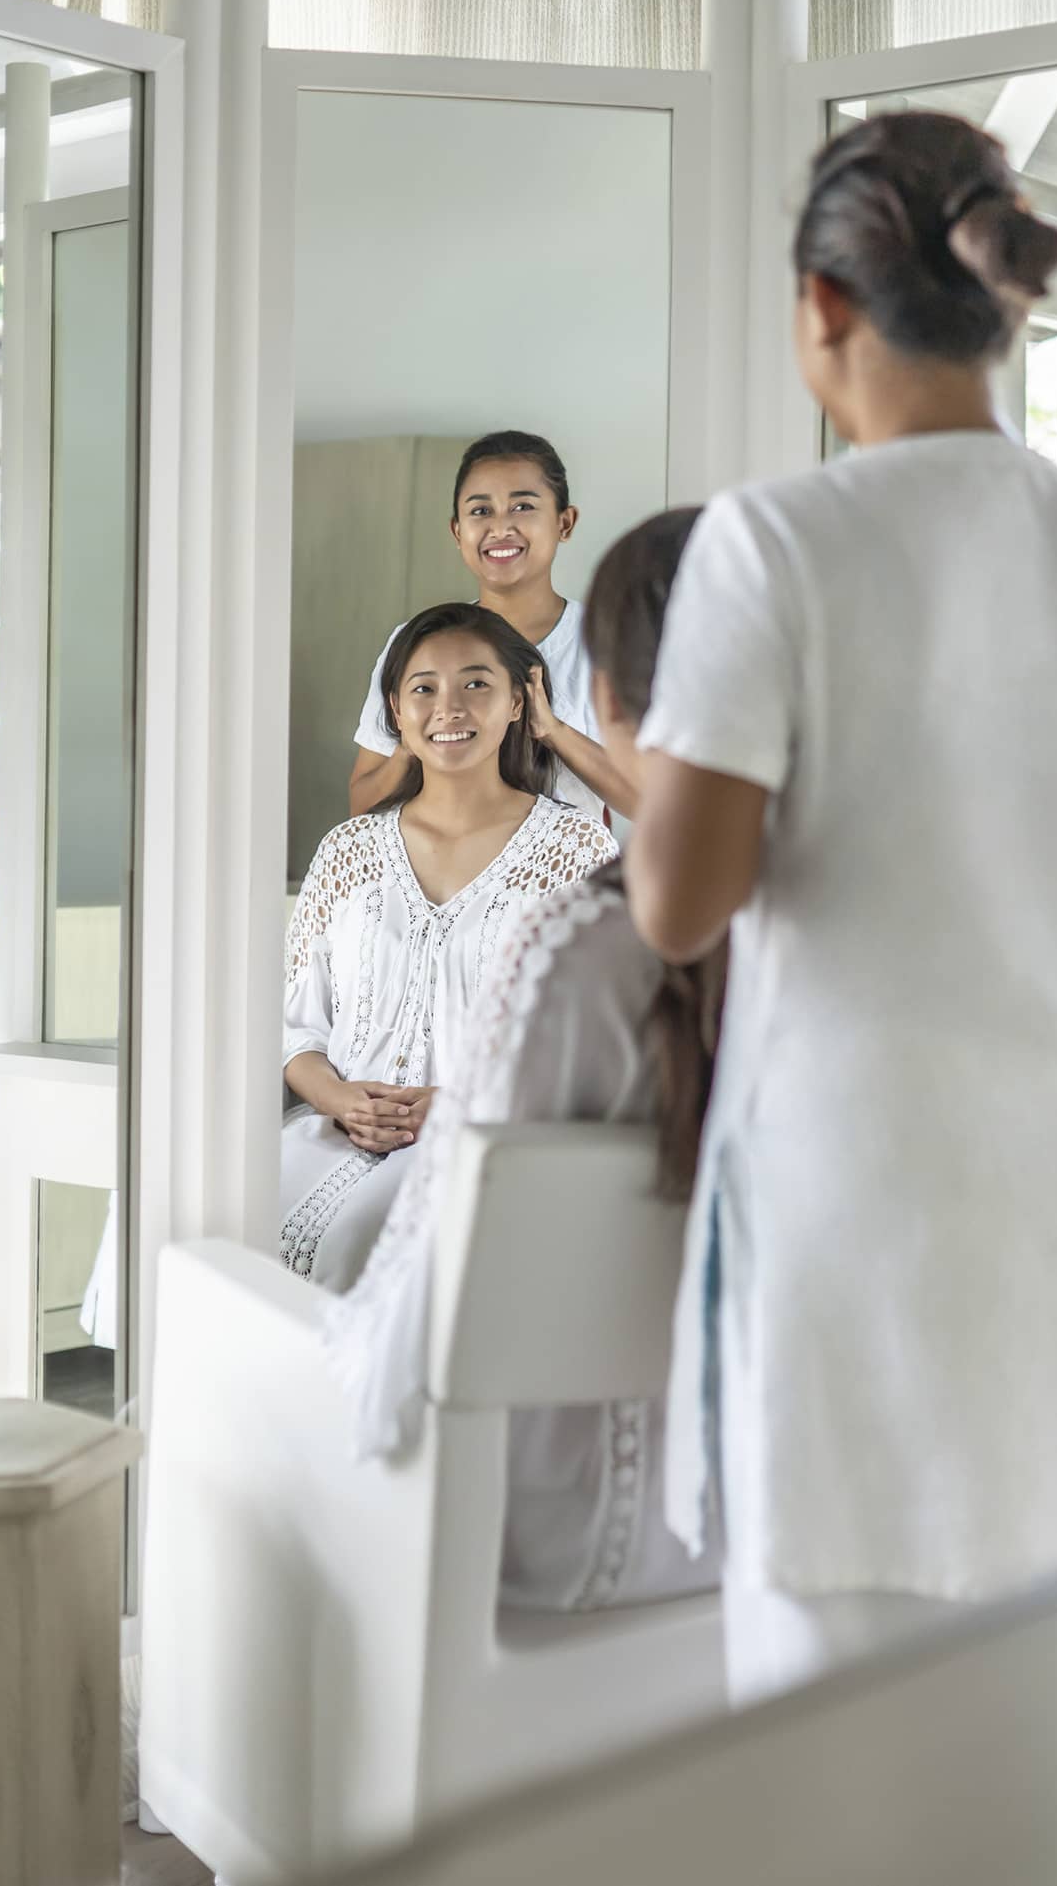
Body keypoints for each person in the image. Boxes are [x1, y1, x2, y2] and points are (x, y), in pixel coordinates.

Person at [627, 111, 1057, 1702]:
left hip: (860, 1222)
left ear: (820, 306)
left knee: (841, 1770)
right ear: (1002, 301)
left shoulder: (772, 546)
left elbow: (680, 901)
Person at [321, 508, 723, 1612]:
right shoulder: (861, 927)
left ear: (608, 703)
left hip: (546, 1528)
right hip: (772, 1502)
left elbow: (396, 1336)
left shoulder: (587, 942)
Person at [283, 602, 618, 1292]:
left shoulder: (578, 852)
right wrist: (342, 1100)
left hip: (489, 1143)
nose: (449, 707)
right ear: (395, 712)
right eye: (424, 688)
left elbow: (596, 1047)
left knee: (361, 1244)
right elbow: (295, 1031)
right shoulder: (347, 851)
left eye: (476, 683)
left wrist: (465, 1098)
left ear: (520, 703)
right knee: (203, 1219)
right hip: (330, 1133)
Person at [347, 430, 638, 823]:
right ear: (457, 531)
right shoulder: (415, 644)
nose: (500, 528)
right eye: (481, 511)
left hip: (567, 881)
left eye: (522, 507)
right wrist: (412, 740)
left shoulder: (610, 645)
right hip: (441, 882)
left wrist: (551, 730)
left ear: (564, 522)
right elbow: (361, 809)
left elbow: (650, 802)